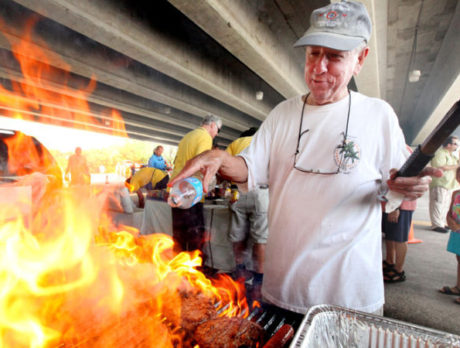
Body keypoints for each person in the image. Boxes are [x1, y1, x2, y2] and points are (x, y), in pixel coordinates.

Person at [170, 0, 440, 317]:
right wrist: (218, 157)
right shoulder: (283, 113)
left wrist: (405, 186)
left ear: (360, 58)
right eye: (314, 53)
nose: (319, 67)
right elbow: (249, 168)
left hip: (348, 297)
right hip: (282, 291)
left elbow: (394, 186)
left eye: (335, 56)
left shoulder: (377, 115)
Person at [169, 114, 222, 256]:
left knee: (179, 234)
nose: (216, 133)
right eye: (218, 129)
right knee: (195, 236)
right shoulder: (205, 137)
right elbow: (202, 164)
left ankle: (178, 268)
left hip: (176, 190)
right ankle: (194, 271)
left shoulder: (188, 136)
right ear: (212, 125)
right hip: (190, 193)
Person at [226, 127, 268, 294]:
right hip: (260, 192)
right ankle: (259, 278)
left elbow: (225, 169)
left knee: (237, 235)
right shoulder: (265, 142)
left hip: (238, 192)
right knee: (260, 238)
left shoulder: (235, 144)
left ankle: (240, 270)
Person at [382, 146, 417, 283]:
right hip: (390, 203)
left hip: (401, 204)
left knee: (400, 238)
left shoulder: (403, 151)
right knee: (390, 236)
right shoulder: (396, 148)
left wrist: (396, 207)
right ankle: (390, 262)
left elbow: (403, 181)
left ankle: (398, 270)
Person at [429, 136, 460, 233]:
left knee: (444, 204)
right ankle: (436, 225)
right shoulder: (440, 153)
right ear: (448, 144)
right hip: (440, 182)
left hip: (448, 184)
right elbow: (441, 167)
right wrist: (457, 165)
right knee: (438, 203)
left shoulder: (451, 155)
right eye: (455, 143)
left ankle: (441, 223)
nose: (457, 146)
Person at [439, 167, 460, 305]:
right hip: (456, 231)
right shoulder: (456, 193)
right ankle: (458, 286)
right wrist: (450, 221)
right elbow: (450, 211)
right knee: (459, 259)